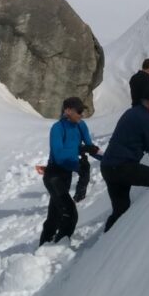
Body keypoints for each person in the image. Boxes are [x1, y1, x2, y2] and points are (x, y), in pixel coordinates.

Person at [100, 86, 149, 231]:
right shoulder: (146, 120)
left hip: (109, 167)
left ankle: (105, 242)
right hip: (123, 167)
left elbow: (141, 143)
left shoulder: (133, 113)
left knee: (120, 210)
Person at [39, 97, 102, 245]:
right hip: (54, 176)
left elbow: (90, 148)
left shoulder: (81, 126)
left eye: (83, 111)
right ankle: (58, 247)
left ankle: (44, 247)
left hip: (66, 175)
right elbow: (59, 155)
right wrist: (79, 155)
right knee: (69, 212)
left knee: (54, 215)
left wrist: (110, 159)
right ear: (67, 111)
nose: (82, 114)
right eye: (79, 111)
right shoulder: (57, 128)